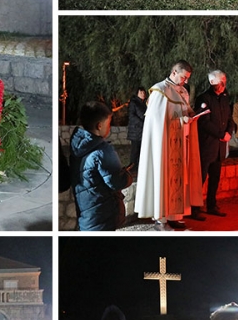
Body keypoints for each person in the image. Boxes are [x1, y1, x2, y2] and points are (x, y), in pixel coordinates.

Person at [136, 60, 203, 230]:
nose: (185, 81)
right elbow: (157, 124)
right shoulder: (160, 91)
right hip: (164, 147)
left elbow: (184, 110)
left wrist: (190, 114)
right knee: (164, 177)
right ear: (174, 72)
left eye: (187, 78)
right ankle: (161, 217)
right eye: (183, 77)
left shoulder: (183, 91)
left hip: (181, 144)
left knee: (180, 180)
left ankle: (175, 214)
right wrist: (181, 121)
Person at [70, 101, 133, 231]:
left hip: (86, 218)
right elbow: (116, 182)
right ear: (99, 125)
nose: (109, 128)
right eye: (108, 124)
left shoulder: (76, 148)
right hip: (104, 217)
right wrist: (127, 175)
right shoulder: (103, 151)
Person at [192, 70, 235, 219]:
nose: (223, 85)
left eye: (224, 82)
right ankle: (195, 208)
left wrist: (229, 131)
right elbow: (204, 121)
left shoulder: (224, 98)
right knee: (201, 178)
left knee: (215, 178)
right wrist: (221, 134)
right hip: (207, 146)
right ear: (213, 83)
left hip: (219, 147)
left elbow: (229, 117)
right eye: (221, 82)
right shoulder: (203, 98)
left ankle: (212, 205)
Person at [127, 88, 147, 168]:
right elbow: (132, 115)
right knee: (135, 150)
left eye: (144, 92)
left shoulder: (145, 103)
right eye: (141, 92)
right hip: (135, 130)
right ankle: (132, 166)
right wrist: (142, 123)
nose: (143, 94)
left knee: (141, 150)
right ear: (137, 93)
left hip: (142, 130)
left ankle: (139, 166)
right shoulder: (134, 103)